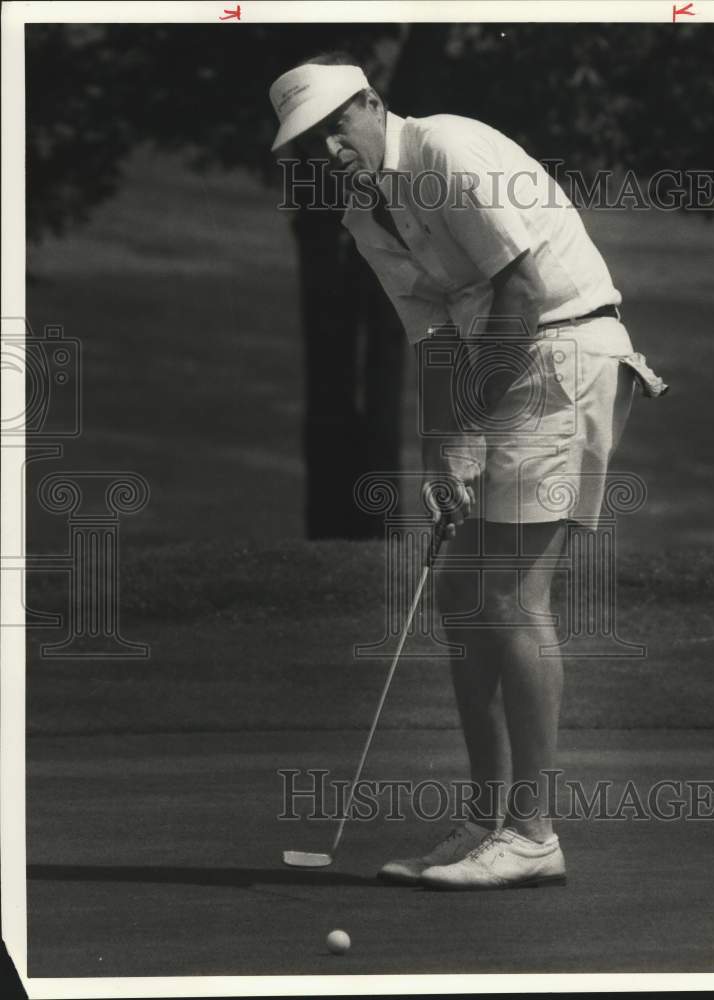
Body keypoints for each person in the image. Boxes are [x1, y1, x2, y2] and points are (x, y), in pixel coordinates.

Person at [269, 54, 663, 890]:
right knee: (459, 594)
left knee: (505, 596)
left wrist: (473, 429)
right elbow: (437, 337)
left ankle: (531, 832)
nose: (326, 149)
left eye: (336, 125)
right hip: (505, 362)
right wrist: (438, 449)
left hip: (562, 349)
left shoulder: (446, 149)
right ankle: (487, 821)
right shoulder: (363, 215)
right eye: (307, 142)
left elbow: (517, 289)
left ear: (372, 104)